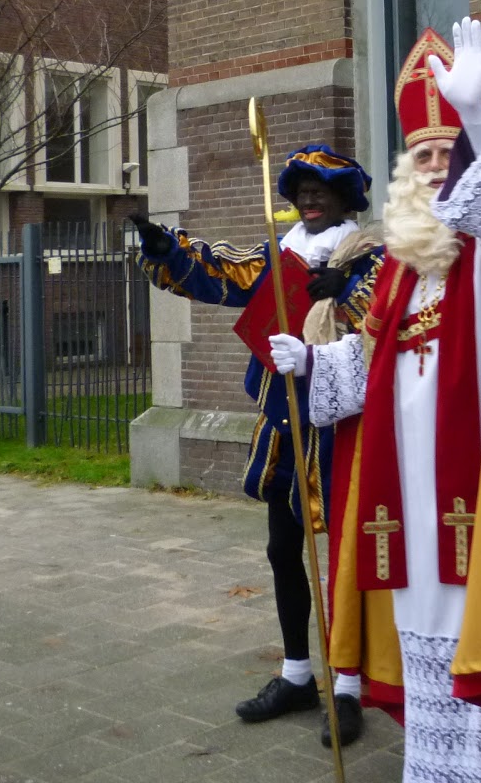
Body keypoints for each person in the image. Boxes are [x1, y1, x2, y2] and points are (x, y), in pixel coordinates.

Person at [269, 20, 481, 783]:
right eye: (424, 156)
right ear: (405, 174)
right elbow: (373, 362)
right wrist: (313, 362)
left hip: (477, 485)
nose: (437, 167)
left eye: (450, 153)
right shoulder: (402, 268)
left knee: (476, 626)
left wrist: (475, 114)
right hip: (407, 501)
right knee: (419, 632)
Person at [131, 145, 383, 747]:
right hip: (282, 425)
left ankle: (348, 687)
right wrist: (167, 248)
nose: (309, 198)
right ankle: (297, 674)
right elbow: (222, 272)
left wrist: (345, 294)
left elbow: (386, 325)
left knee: (345, 562)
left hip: (346, 433)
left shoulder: (375, 259)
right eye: (301, 190)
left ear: (345, 198)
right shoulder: (279, 255)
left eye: (322, 189)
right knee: (282, 550)